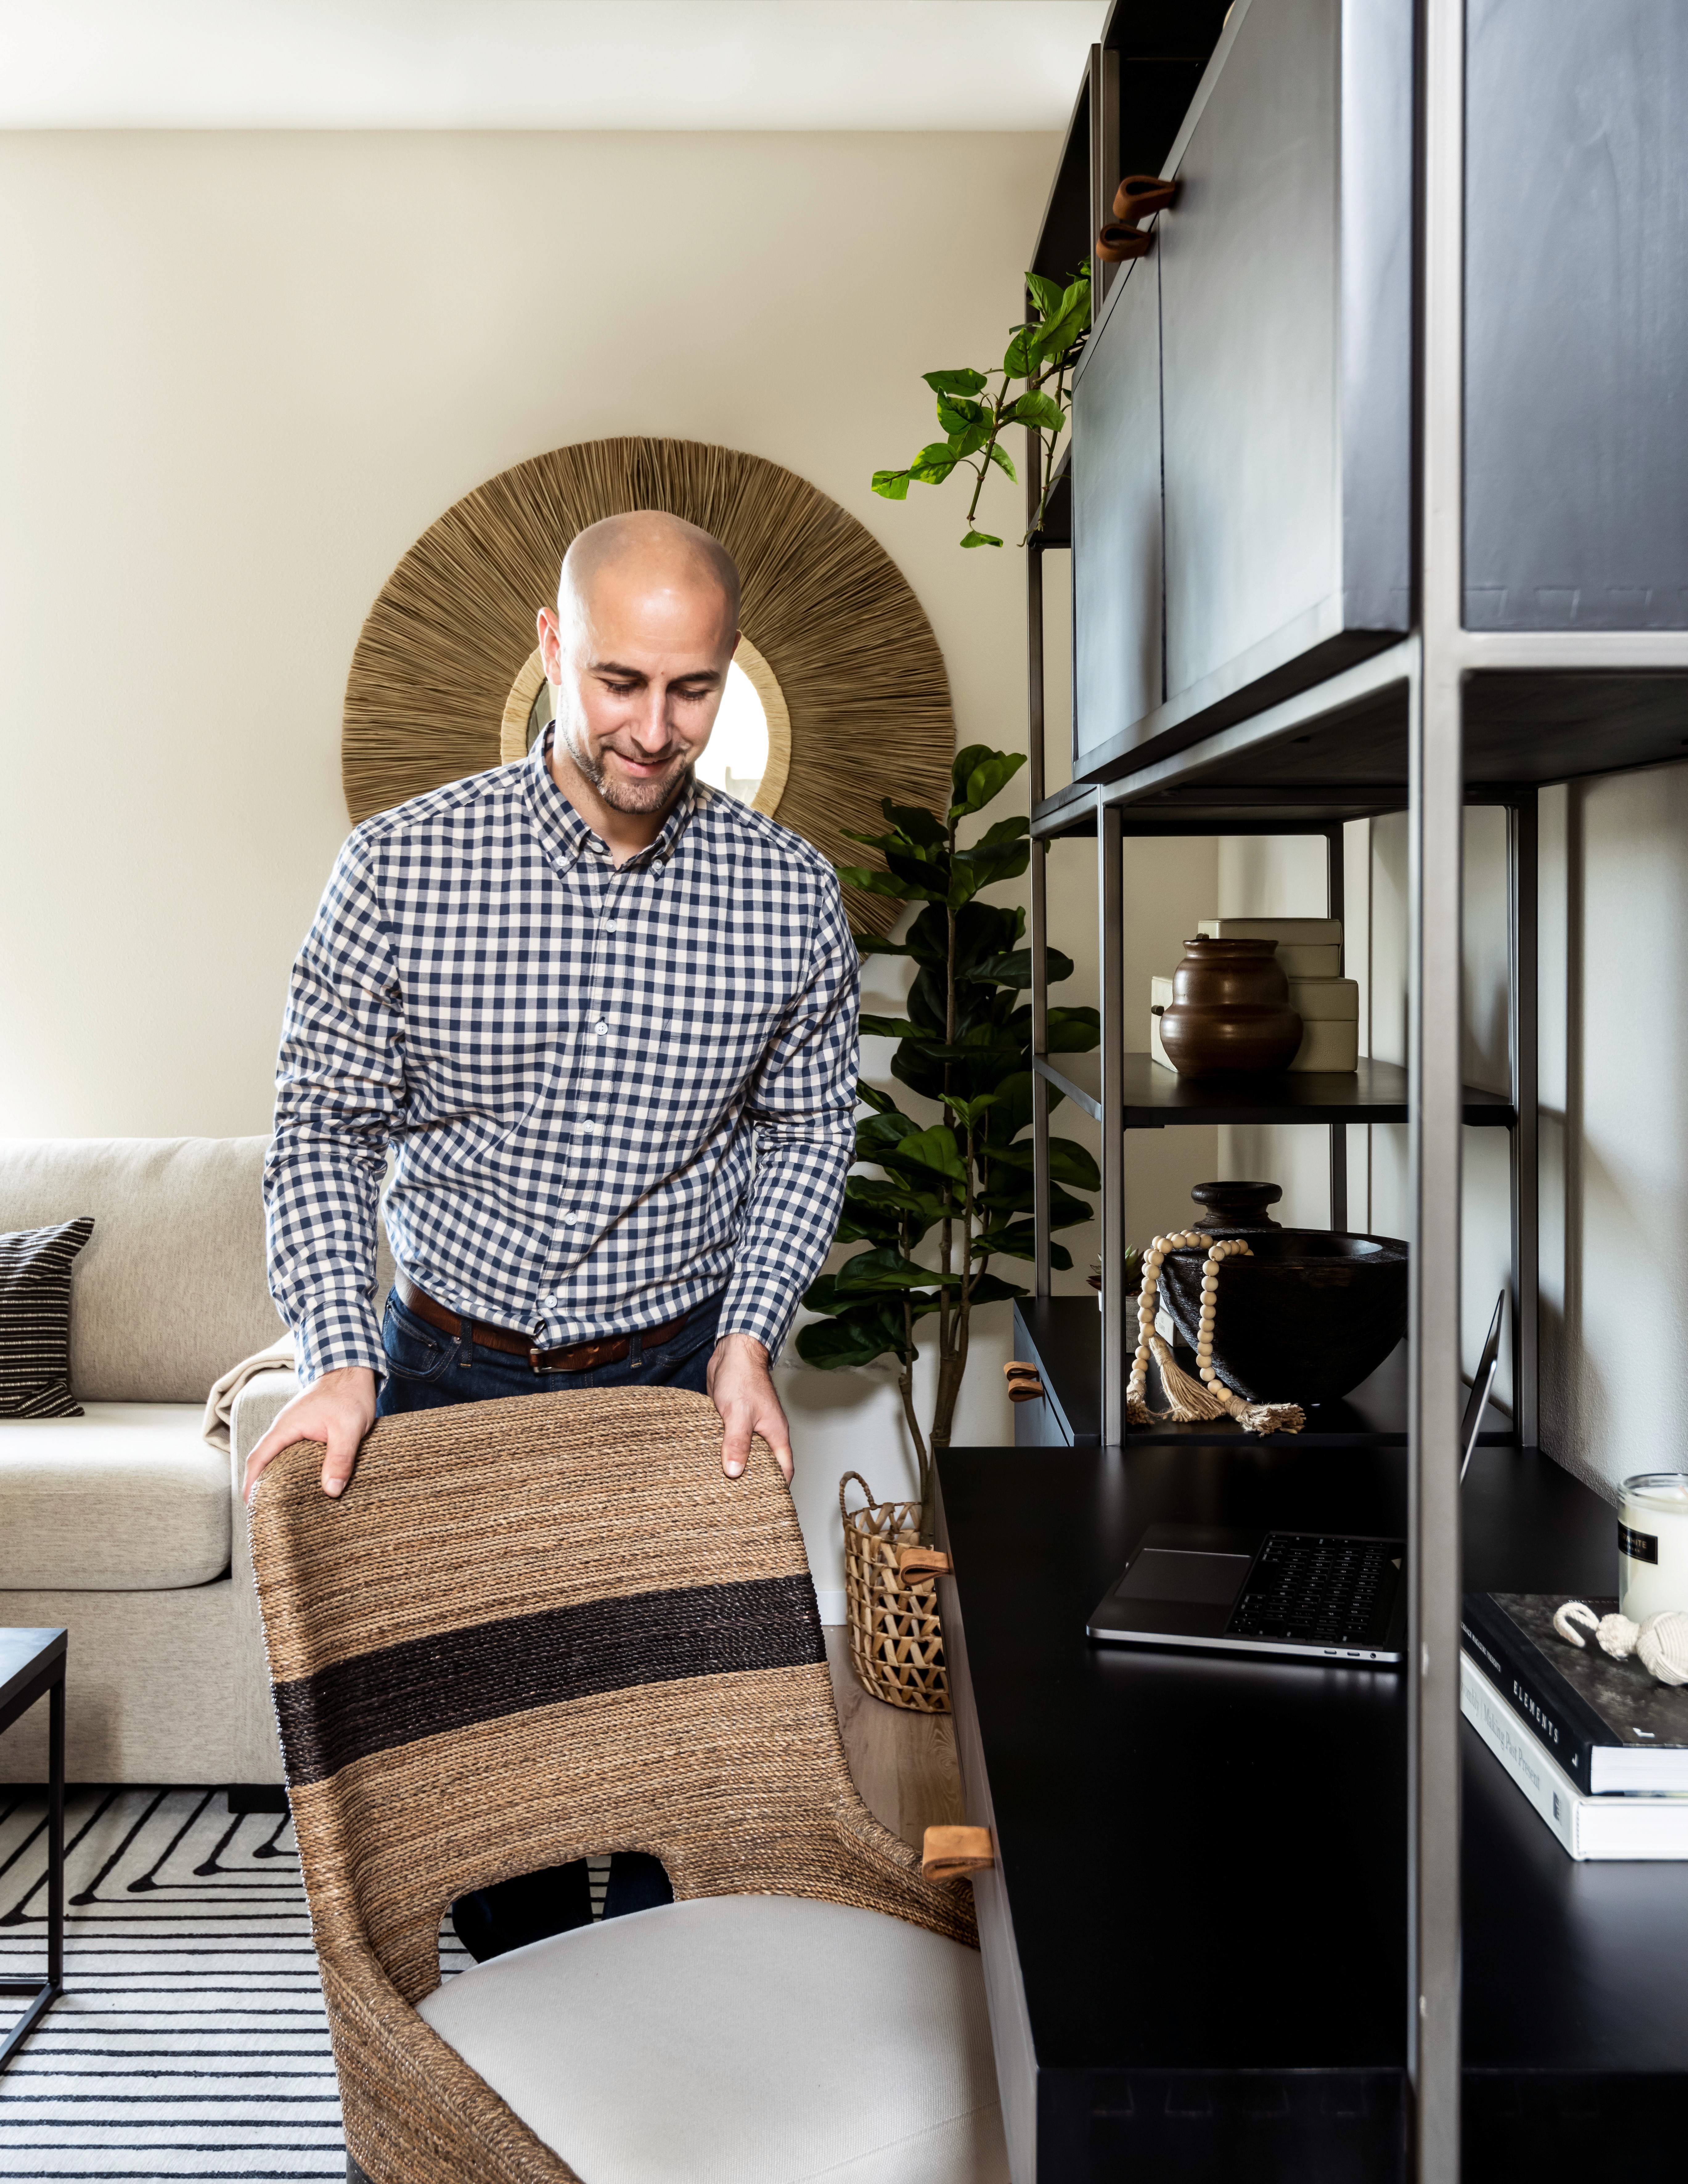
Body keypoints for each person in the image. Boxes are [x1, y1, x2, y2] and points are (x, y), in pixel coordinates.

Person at [244, 510, 859, 1954]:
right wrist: (340, 1356)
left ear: (729, 673)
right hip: (447, 1377)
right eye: (618, 681)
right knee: (490, 1786)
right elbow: (323, 1124)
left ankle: (652, 2057)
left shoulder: (789, 898)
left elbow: (806, 1130)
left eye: (691, 687)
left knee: (671, 1762)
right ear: (551, 649)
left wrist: (750, 1336)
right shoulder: (400, 870)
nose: (654, 729)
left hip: (669, 1383)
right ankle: (534, 2070)